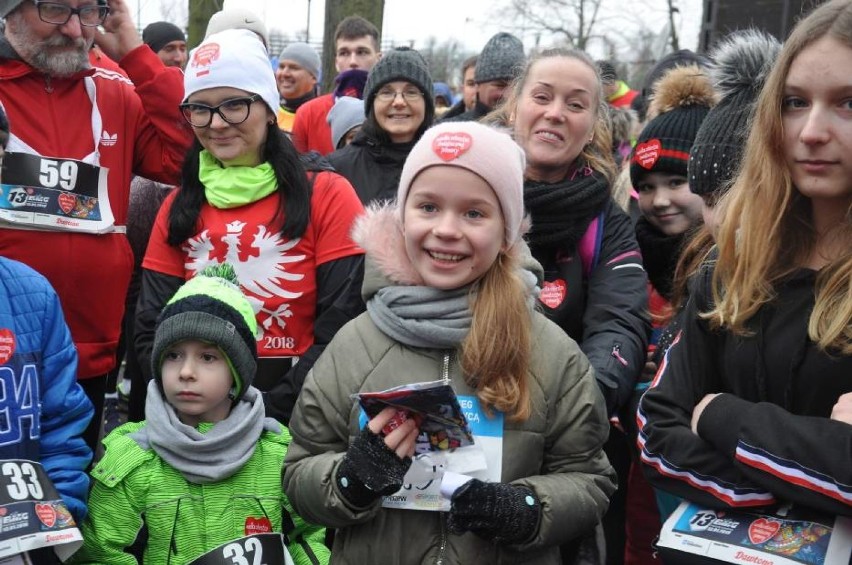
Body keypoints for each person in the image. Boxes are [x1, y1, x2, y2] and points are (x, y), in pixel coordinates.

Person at [283, 121, 616, 563]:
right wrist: (350, 480)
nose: (446, 229)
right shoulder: (354, 345)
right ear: (402, 219)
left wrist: (528, 510)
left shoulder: (551, 354)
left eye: (474, 213)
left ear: (507, 233)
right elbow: (300, 470)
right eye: (428, 207)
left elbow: (589, 479)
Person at [639, 0, 852, 521]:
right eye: (795, 102)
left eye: (849, 103)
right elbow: (657, 427)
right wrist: (791, 491)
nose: (811, 131)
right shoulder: (731, 265)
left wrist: (720, 414)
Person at [135, 29, 365, 425]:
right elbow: (150, 327)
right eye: (200, 109)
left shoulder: (327, 194)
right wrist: (200, 406)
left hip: (302, 413)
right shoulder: (178, 205)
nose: (217, 124)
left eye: (235, 105)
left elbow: (345, 325)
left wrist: (269, 411)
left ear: (270, 109)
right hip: (199, 415)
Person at [0, 0, 193, 453]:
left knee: (70, 494)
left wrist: (134, 50)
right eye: (53, 9)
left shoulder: (115, 88)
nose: (73, 29)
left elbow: (187, 157)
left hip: (90, 343)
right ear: (10, 12)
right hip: (7, 345)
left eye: (88, 11)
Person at [489, 48, 650, 563]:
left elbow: (620, 322)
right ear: (514, 106)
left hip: (562, 436)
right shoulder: (461, 185)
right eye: (542, 96)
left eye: (576, 104)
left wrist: (579, 407)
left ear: (594, 123)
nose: (556, 112)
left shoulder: (606, 218)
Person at [70, 264, 329, 565]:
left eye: (208, 357)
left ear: (237, 371)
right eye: (173, 355)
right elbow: (100, 553)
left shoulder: (277, 458)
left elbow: (307, 539)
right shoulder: (129, 463)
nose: (186, 372)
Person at [623, 64, 715, 565]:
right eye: (648, 185)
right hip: (642, 473)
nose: (659, 201)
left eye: (677, 181)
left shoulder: (730, 267)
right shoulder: (632, 261)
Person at [327, 47, 434, 205]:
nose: (398, 102)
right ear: (371, 104)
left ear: (427, 104)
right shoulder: (337, 169)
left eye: (411, 92)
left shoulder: (447, 166)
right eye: (386, 92)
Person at [292, 15, 381, 155]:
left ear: (378, 59)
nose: (353, 61)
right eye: (344, 53)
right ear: (336, 62)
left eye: (362, 52)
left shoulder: (390, 113)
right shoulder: (308, 114)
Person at [444, 32, 525, 123]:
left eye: (516, 87)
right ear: (478, 85)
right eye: (500, 85)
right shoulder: (451, 132)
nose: (509, 94)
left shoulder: (528, 133)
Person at [276, 42, 321, 134]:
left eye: (294, 68)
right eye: (281, 67)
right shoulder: (268, 114)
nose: (284, 73)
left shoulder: (325, 118)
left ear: (313, 77)